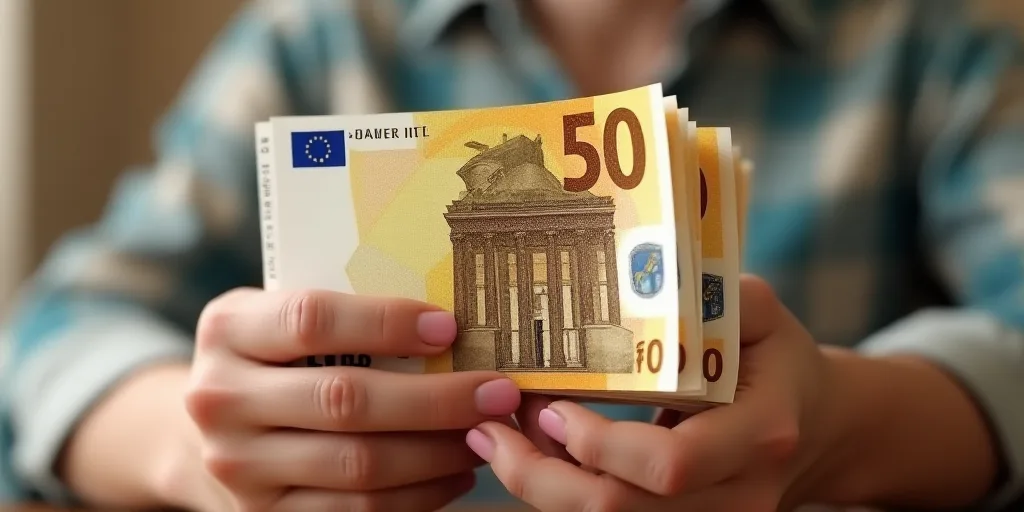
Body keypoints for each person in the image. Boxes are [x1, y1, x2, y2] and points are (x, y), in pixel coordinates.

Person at [1, 0, 1022, 510]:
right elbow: (55, 327)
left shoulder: (930, 38)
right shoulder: (318, 34)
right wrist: (197, 452)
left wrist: (845, 422)